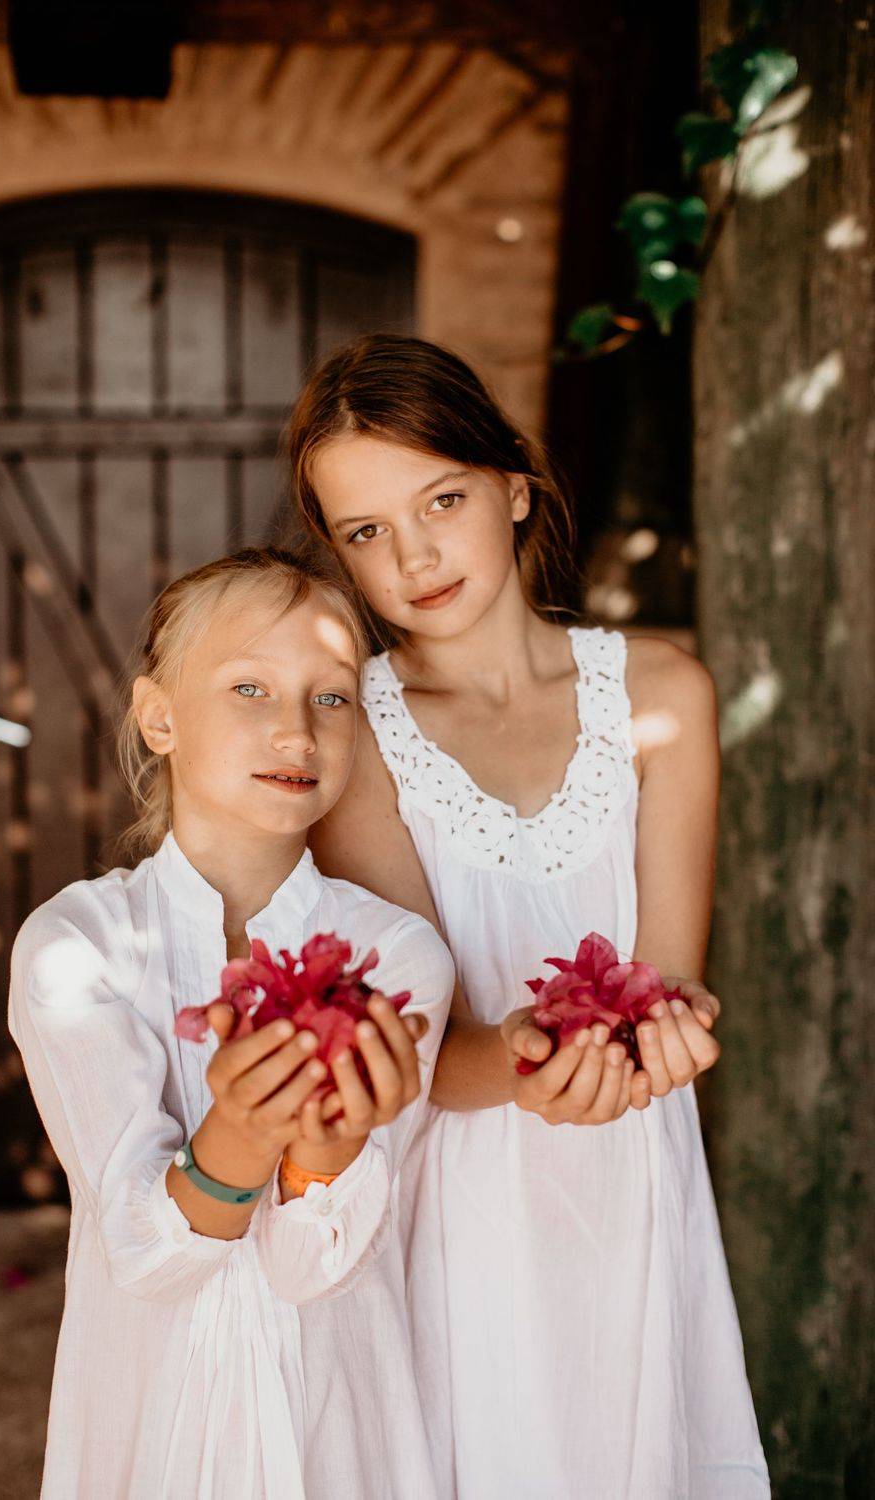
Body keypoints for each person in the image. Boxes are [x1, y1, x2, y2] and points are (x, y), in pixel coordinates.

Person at [287, 335, 770, 1498]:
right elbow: (419, 1056)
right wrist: (530, 1056)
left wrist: (668, 1034)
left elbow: (665, 980)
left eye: (441, 501)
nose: (413, 556)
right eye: (365, 532)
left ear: (513, 484)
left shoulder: (661, 694)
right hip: (462, 1211)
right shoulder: (357, 736)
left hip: (629, 1183)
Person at [8, 547, 454, 1499]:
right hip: (150, 1417)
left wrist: (326, 1151)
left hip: (337, 1421)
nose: (297, 730)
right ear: (159, 716)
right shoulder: (75, 945)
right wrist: (243, 1135)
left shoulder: (397, 957)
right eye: (250, 687)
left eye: (332, 697)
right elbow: (146, 1254)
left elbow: (310, 1269)